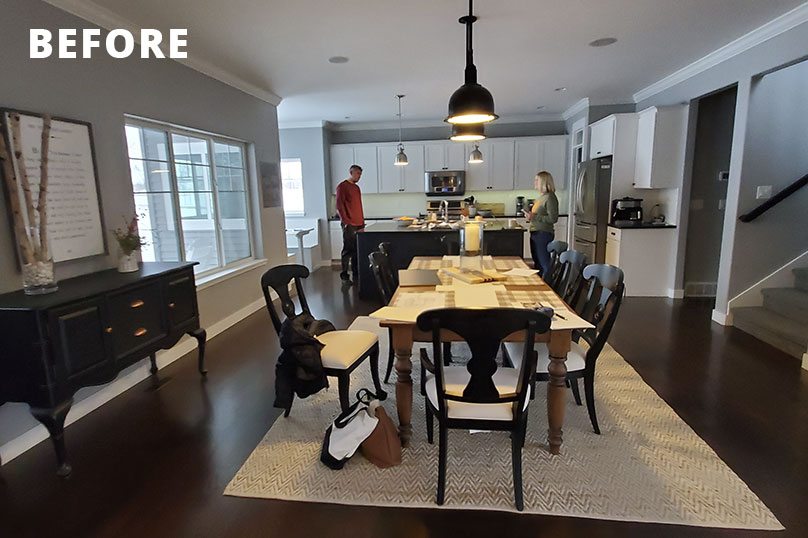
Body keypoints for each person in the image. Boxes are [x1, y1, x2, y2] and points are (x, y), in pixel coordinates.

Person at [522, 171, 559, 277]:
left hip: (543, 234)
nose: (535, 182)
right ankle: (540, 282)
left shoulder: (550, 197)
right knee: (537, 262)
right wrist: (530, 216)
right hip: (536, 233)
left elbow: (553, 218)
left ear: (544, 182)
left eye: (537, 180)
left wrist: (534, 216)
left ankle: (548, 285)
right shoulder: (541, 197)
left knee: (544, 263)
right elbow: (538, 216)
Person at [335, 164, 365, 284]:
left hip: (359, 223)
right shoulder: (342, 187)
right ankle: (344, 275)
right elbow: (339, 205)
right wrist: (345, 222)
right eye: (357, 174)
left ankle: (356, 273)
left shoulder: (356, 188)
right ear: (351, 172)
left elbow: (359, 206)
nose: (359, 177)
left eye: (360, 175)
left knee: (357, 250)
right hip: (349, 223)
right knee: (348, 250)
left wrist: (362, 223)